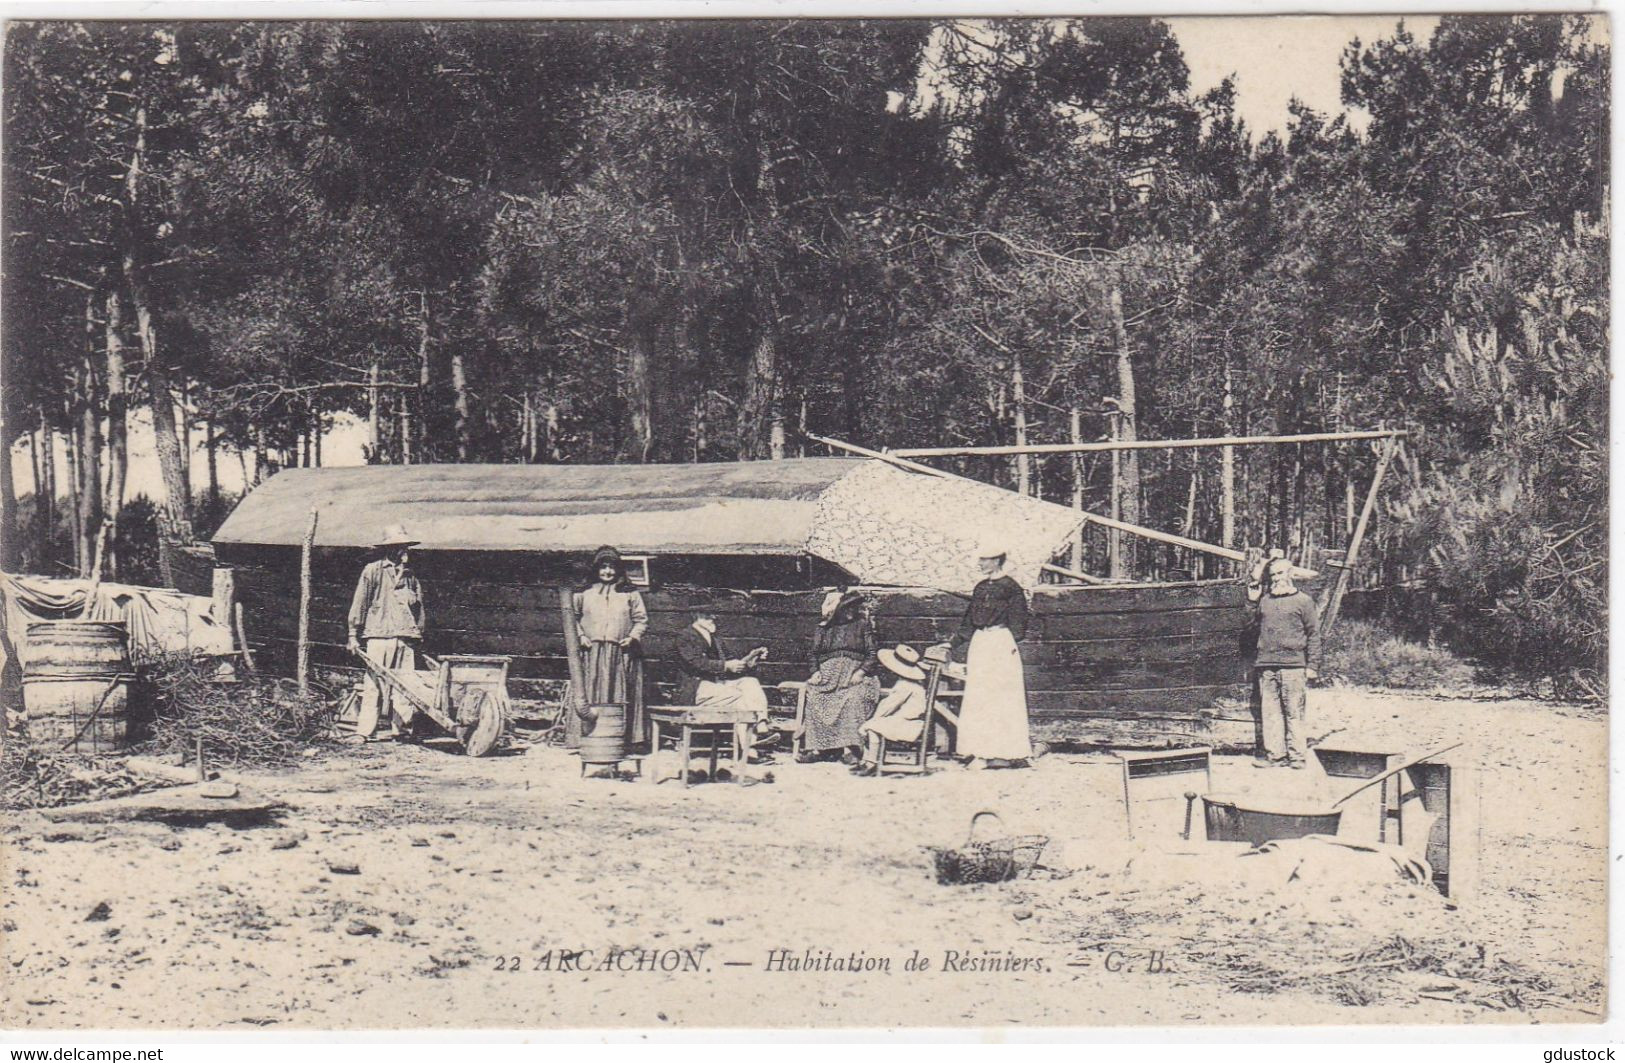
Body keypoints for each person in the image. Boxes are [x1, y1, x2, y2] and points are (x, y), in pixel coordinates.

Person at [951, 541, 1032, 770]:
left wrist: (1003, 645)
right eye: (979, 559)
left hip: (1000, 644)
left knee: (1001, 697)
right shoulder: (979, 588)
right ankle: (981, 753)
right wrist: (951, 644)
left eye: (984, 559)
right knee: (980, 697)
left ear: (996, 559)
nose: (980, 563)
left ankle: (1004, 754)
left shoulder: (1011, 588)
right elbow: (968, 621)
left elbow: (1019, 625)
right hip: (980, 643)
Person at [347, 523, 426, 741]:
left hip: (405, 638)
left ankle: (402, 731)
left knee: (405, 687)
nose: (405, 551)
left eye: (406, 547)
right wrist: (353, 635)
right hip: (378, 637)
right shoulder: (372, 571)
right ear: (389, 549)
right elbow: (359, 604)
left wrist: (417, 634)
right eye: (401, 547)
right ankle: (364, 732)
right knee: (373, 685)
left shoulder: (411, 576)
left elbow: (419, 608)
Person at [1247, 556, 1322, 769]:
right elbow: (1249, 625)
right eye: (1272, 575)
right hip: (1266, 665)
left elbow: (1314, 635)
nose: (1276, 579)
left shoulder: (1304, 601)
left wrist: (1313, 666)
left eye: (1280, 573)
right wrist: (1252, 601)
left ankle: (1297, 757)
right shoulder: (1265, 601)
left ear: (1291, 575)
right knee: (1270, 714)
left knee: (1294, 713)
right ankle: (1276, 756)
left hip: (1294, 666)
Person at [571, 545, 649, 749]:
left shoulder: (629, 593)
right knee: (588, 692)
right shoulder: (584, 592)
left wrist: (632, 637)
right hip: (592, 651)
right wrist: (580, 636)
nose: (608, 572)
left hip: (621, 652)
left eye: (612, 567)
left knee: (621, 693)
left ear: (618, 570)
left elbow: (641, 620)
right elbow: (573, 619)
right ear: (596, 569)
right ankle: (587, 737)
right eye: (603, 567)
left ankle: (621, 738)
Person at [672, 607, 774, 756]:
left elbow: (731, 663)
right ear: (696, 616)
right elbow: (696, 662)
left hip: (717, 686)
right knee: (741, 698)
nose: (712, 618)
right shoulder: (685, 636)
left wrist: (750, 659)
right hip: (695, 689)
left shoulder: (715, 638)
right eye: (707, 615)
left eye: (713, 614)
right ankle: (749, 748)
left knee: (750, 683)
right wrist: (726, 666)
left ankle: (762, 726)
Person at [798, 589, 881, 765]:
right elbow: (813, 654)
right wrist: (815, 672)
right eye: (846, 609)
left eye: (853, 608)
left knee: (853, 698)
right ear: (838, 611)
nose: (850, 612)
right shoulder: (824, 629)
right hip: (828, 676)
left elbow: (872, 653)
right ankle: (818, 749)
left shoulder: (862, 625)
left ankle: (849, 749)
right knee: (815, 697)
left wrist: (861, 671)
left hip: (854, 675)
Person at [851, 644, 930, 776]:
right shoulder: (911, 684)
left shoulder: (904, 685)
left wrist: (875, 717)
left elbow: (888, 706)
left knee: (872, 726)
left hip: (909, 725)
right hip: (907, 721)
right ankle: (867, 761)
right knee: (873, 724)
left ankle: (871, 763)